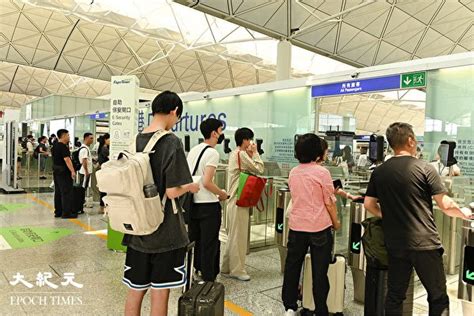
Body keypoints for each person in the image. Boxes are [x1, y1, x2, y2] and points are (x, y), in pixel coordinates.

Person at [364, 122, 472, 315]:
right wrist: (463, 212)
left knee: (395, 295)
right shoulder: (424, 168)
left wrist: (388, 216)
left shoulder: (379, 171)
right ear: (411, 140)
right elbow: (446, 205)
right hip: (425, 244)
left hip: (395, 243)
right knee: (437, 296)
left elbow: (369, 204)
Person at [121, 91, 199, 316]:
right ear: (174, 111)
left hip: (136, 228)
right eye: (178, 117)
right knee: (160, 292)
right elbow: (173, 191)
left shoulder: (135, 140)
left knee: (135, 291)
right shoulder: (171, 141)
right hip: (164, 231)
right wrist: (190, 186)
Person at [282, 133, 341, 316]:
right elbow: (329, 202)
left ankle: (290, 307)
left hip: (297, 227)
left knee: (292, 267)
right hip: (319, 229)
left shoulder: (294, 172)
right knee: (319, 271)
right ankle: (320, 310)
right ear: (318, 152)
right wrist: (336, 223)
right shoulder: (322, 172)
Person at [186, 118, 228, 282]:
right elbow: (207, 182)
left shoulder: (195, 150)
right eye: (220, 130)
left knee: (195, 240)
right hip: (208, 206)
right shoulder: (212, 152)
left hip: (193, 203)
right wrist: (222, 194)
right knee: (209, 243)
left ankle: (195, 270)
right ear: (213, 133)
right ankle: (209, 277)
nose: (221, 133)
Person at [221, 127, 264, 281]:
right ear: (245, 140)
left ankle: (226, 267)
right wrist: (256, 153)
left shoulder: (234, 154)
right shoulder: (241, 154)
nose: (251, 143)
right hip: (239, 200)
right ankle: (237, 270)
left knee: (233, 234)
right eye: (250, 139)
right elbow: (259, 168)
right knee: (238, 236)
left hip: (233, 199)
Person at [52, 129, 77, 219]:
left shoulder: (55, 146)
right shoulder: (63, 146)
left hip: (56, 171)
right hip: (64, 172)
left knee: (58, 192)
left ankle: (58, 211)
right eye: (68, 135)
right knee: (66, 192)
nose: (69, 137)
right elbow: (67, 159)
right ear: (63, 136)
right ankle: (66, 213)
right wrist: (72, 171)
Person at [78, 132, 94, 214]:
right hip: (85, 172)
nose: (92, 140)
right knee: (83, 188)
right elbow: (84, 161)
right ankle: (80, 203)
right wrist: (87, 171)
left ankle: (81, 202)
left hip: (85, 172)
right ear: (86, 138)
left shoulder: (86, 148)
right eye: (91, 138)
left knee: (84, 187)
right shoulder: (84, 149)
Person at [97, 133, 110, 213]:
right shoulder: (105, 149)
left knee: (103, 189)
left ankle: (102, 206)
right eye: (109, 139)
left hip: (103, 170)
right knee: (105, 190)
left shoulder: (102, 147)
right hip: (106, 171)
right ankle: (103, 207)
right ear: (105, 139)